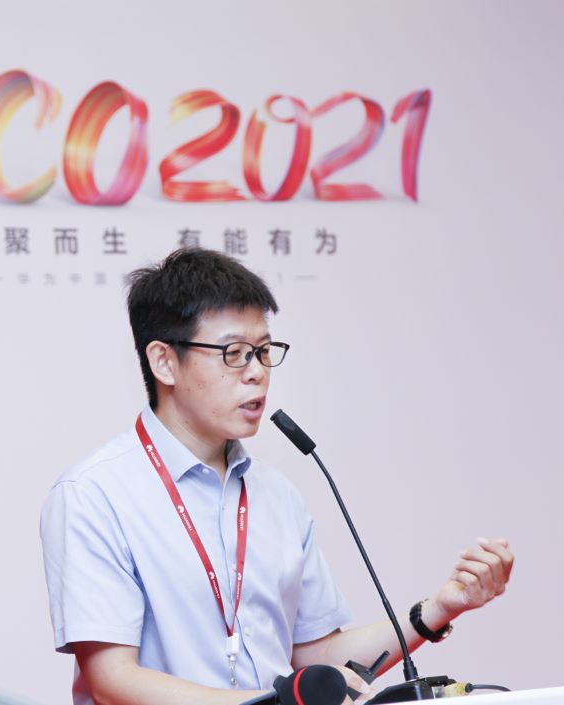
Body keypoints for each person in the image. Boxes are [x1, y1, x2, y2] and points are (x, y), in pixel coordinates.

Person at [40, 248, 514, 705]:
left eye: (264, 352)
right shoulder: (94, 494)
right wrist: (273, 703)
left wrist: (440, 608)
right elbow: (113, 681)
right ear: (164, 361)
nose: (257, 373)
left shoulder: (277, 496)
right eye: (234, 353)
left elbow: (316, 657)